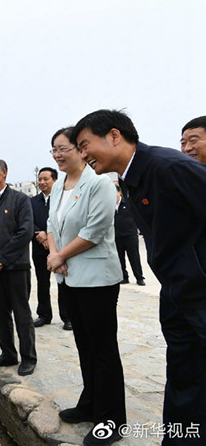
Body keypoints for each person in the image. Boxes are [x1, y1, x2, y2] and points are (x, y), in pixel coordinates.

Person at [73, 109, 206, 446]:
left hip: (200, 291)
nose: (83, 155)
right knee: (184, 377)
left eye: (85, 145)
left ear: (114, 135)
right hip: (177, 293)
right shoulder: (130, 177)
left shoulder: (167, 167)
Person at [46, 126, 125, 446]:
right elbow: (51, 224)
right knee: (84, 345)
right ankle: (90, 403)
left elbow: (95, 229)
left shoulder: (99, 183)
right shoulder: (58, 186)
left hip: (97, 279)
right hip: (68, 276)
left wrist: (60, 255)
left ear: (81, 150)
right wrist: (54, 255)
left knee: (103, 349)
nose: (58, 155)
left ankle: (112, 419)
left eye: (63, 148)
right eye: (54, 149)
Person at [0, 159, 37, 376]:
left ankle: (28, 357)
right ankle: (8, 354)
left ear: (4, 173)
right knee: (0, 314)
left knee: (22, 314)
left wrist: (1, 258)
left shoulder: (20, 200)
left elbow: (25, 232)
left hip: (16, 267)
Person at [30, 166, 71, 330]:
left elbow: (66, 220)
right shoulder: (32, 202)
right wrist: (39, 235)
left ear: (55, 180)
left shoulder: (63, 199)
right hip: (39, 248)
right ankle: (44, 314)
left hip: (60, 249)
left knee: (63, 282)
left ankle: (67, 317)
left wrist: (48, 236)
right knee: (42, 282)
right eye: (39, 179)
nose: (42, 182)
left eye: (45, 179)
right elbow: (27, 221)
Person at [114, 186, 145, 286]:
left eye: (115, 193)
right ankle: (124, 277)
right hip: (116, 235)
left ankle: (139, 277)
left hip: (130, 235)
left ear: (119, 193)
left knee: (134, 257)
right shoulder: (109, 206)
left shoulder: (127, 203)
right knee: (119, 258)